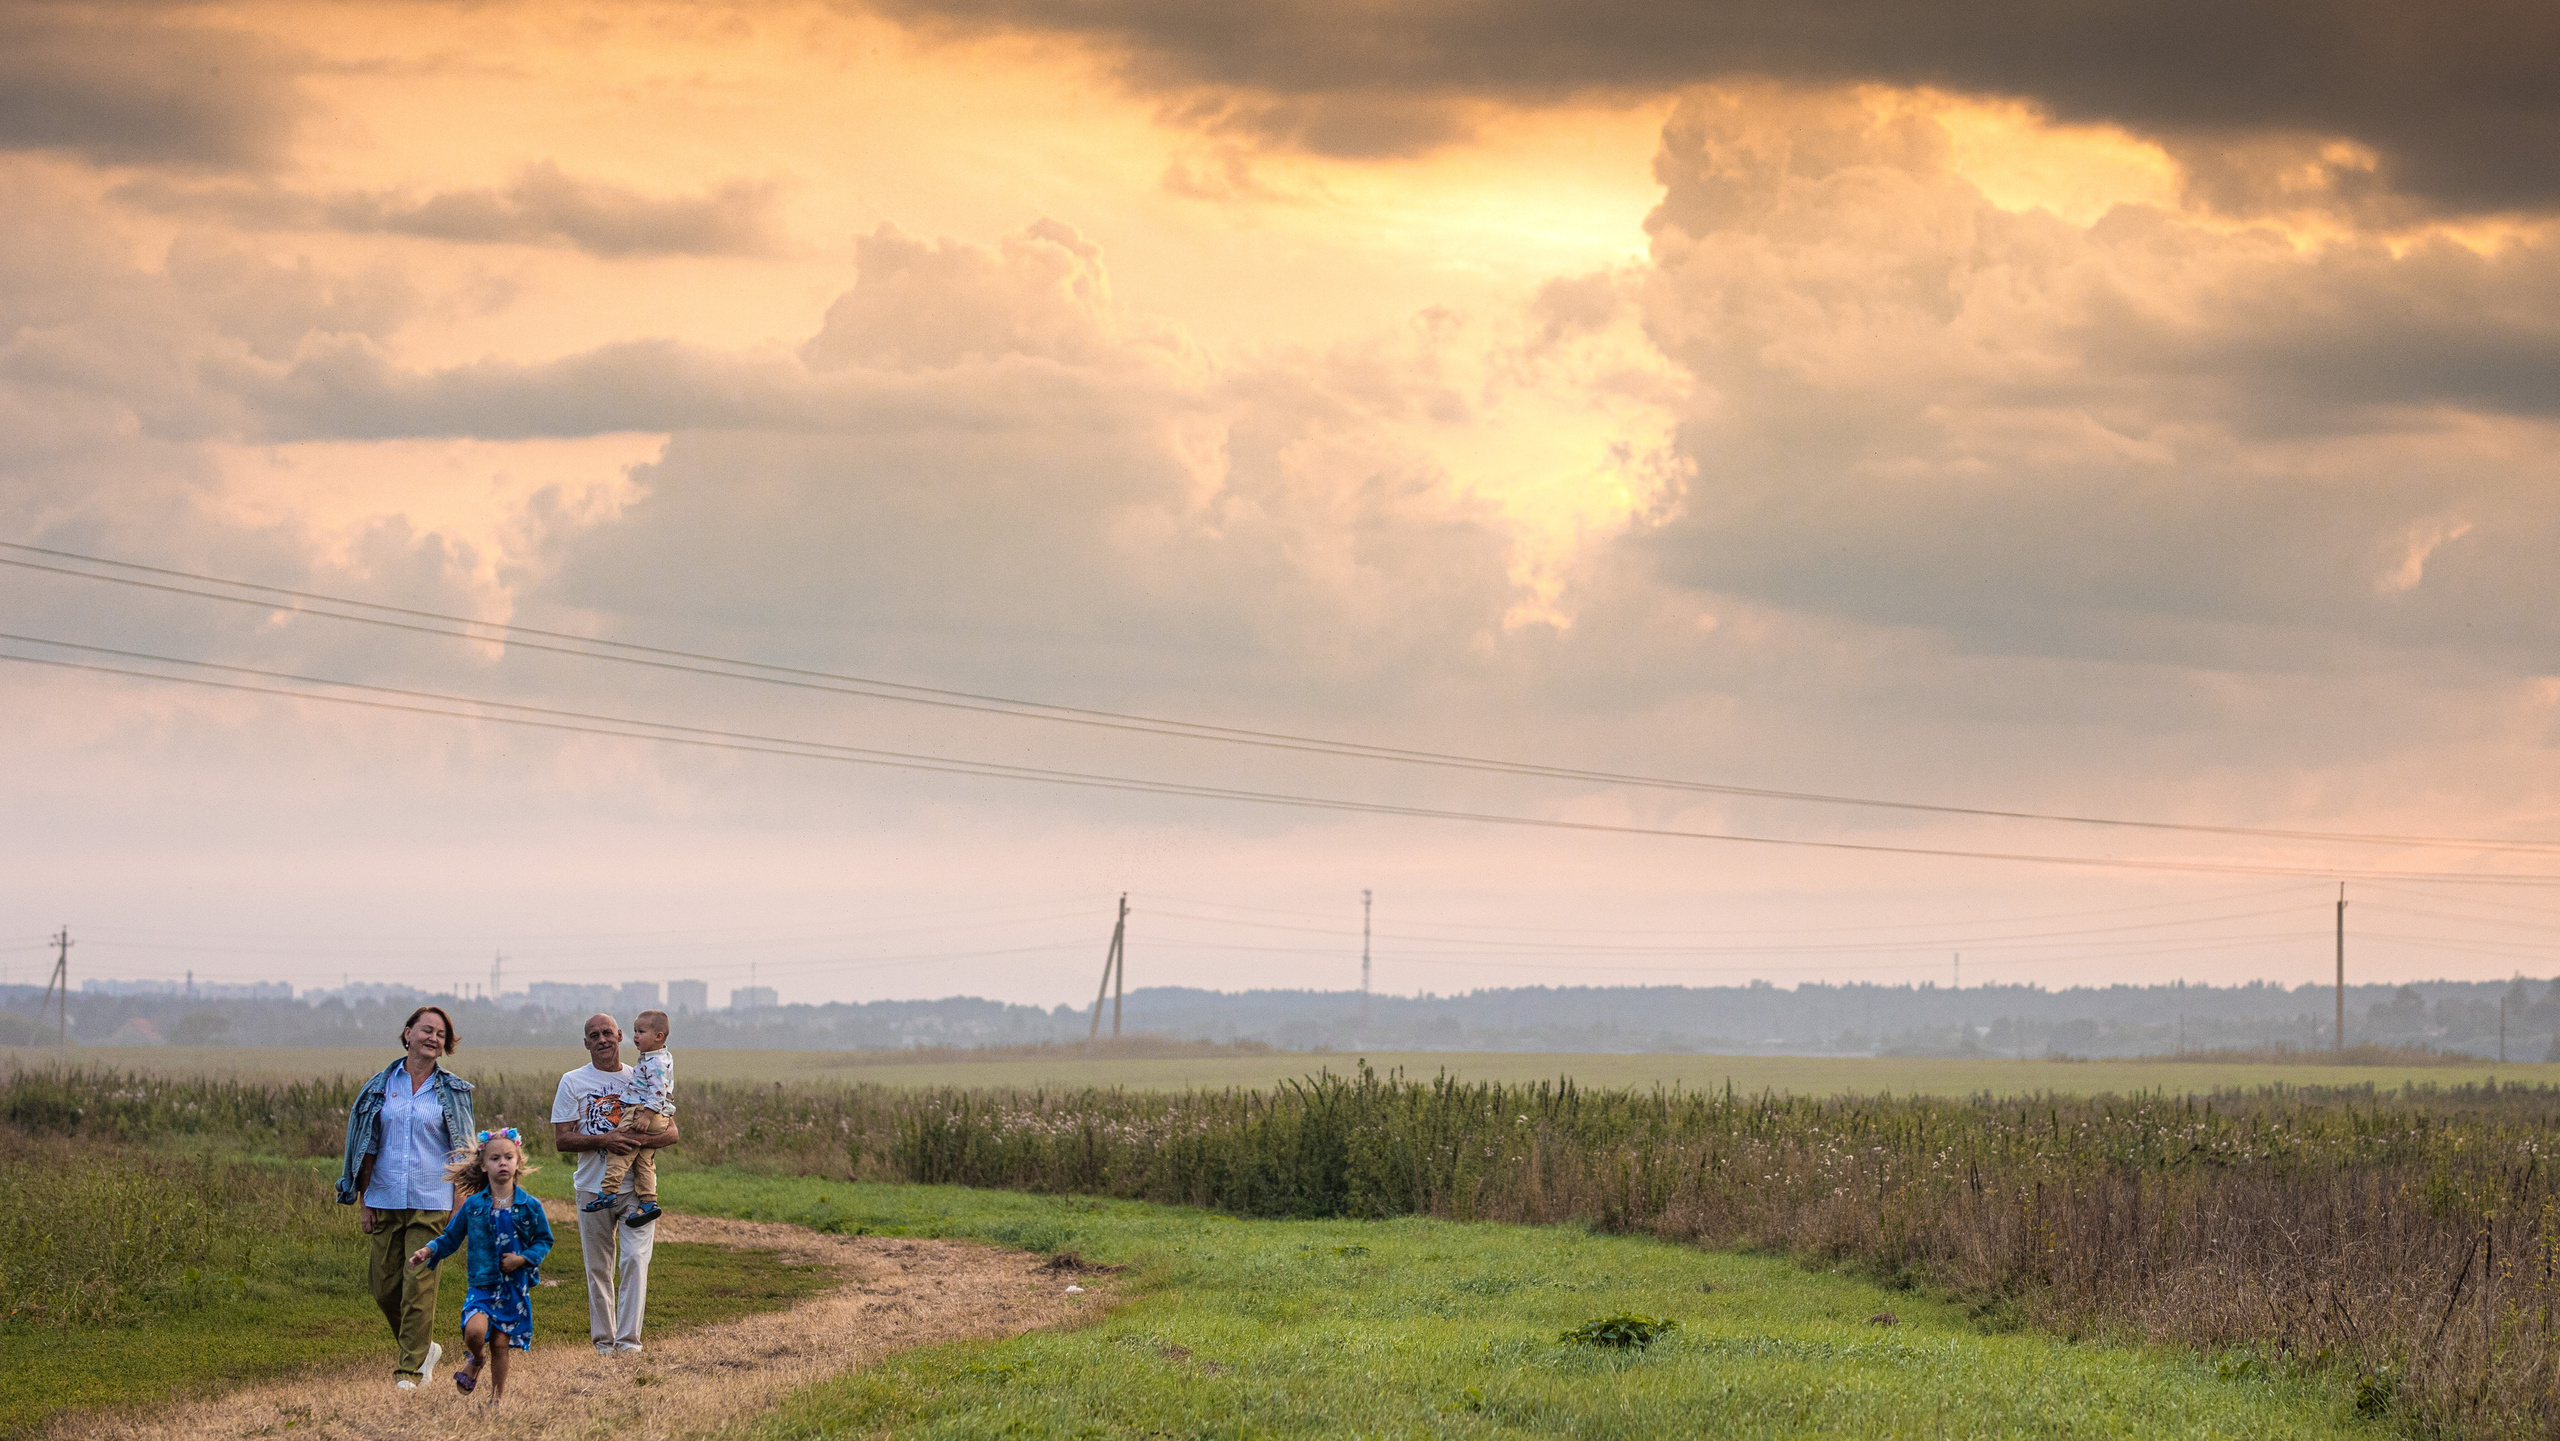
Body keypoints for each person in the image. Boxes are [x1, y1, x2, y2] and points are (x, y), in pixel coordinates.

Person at [336, 1003, 475, 1391]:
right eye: (426, 1030)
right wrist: (364, 1201)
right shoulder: (380, 1085)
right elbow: (366, 1147)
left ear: (445, 1045)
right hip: (384, 1197)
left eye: (441, 1035)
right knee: (383, 1287)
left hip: (433, 1200)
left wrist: (459, 1204)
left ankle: (409, 1372)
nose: (433, 1038)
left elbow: (464, 1151)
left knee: (418, 1285)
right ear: (408, 1033)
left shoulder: (453, 1090)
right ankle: (422, 1346)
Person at [551, 1012, 680, 1354]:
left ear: (620, 1035)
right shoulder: (572, 1081)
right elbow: (562, 1139)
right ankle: (604, 1344)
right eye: (594, 1035)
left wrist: (637, 1141)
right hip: (591, 1186)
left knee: (635, 1260)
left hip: (635, 1190)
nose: (602, 1039)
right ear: (586, 1043)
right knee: (598, 1268)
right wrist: (605, 1140)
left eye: (607, 1032)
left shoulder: (642, 1074)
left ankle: (629, 1344)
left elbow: (672, 1132)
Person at [410, 1128, 553, 1405]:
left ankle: (496, 1400)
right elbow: (451, 1237)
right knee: (474, 1331)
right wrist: (428, 1250)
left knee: (501, 1344)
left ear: (518, 1162)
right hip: (482, 1284)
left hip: (513, 1287)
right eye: (495, 1158)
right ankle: (476, 1359)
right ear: (483, 1165)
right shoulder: (473, 1205)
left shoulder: (530, 1206)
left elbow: (544, 1240)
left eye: (509, 1157)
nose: (503, 1162)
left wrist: (522, 1259)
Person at [580, 1008, 677, 1227]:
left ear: (658, 1036)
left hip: (641, 1110)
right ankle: (649, 1201)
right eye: (635, 1031)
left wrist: (646, 1116)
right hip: (656, 1114)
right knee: (644, 1160)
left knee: (620, 1149)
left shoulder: (655, 1063)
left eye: (641, 1032)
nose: (636, 1037)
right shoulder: (658, 1058)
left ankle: (608, 1192)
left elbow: (659, 1092)